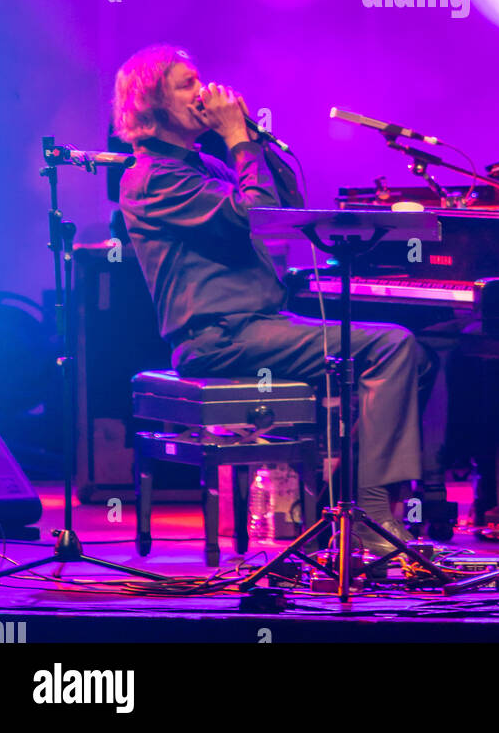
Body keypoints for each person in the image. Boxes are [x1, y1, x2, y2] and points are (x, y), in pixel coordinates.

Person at [113, 43, 438, 558]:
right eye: (186, 85)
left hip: (260, 324)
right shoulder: (152, 180)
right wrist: (238, 142)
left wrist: (250, 141)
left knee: (419, 355)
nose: (203, 92)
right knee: (393, 345)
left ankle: (356, 506)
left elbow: (285, 204)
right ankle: (371, 514)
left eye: (201, 80)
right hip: (220, 337)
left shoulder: (202, 166)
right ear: (152, 108)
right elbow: (253, 218)